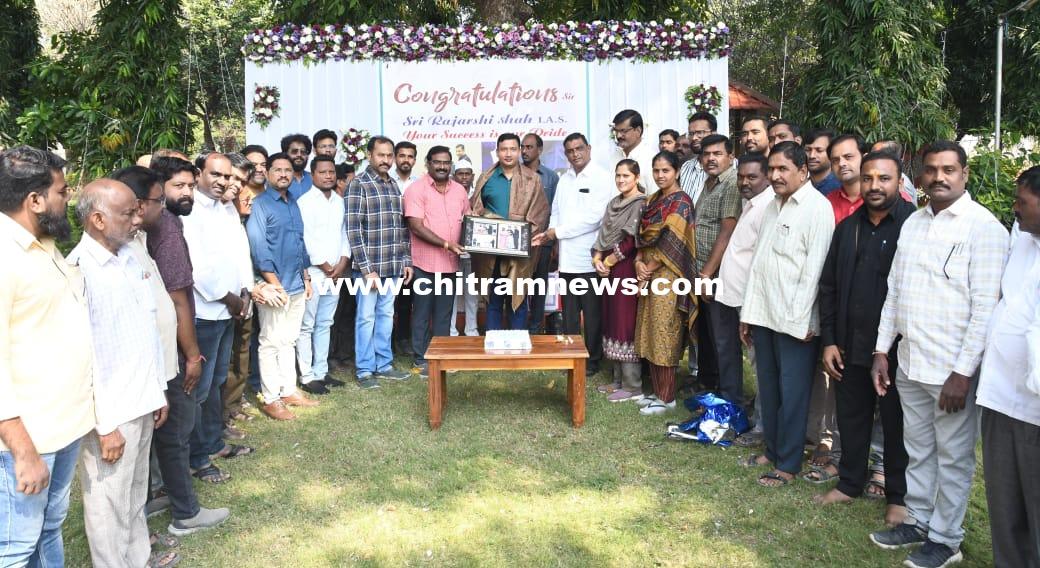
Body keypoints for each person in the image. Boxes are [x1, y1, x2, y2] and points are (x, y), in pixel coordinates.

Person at [869, 141, 1009, 568]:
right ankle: (918, 521)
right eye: (931, 170)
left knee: (953, 457)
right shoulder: (914, 222)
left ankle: (946, 540)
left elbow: (986, 308)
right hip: (911, 361)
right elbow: (895, 292)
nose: (939, 177)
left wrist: (963, 373)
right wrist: (882, 350)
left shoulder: (984, 229)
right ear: (921, 175)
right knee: (919, 448)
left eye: (949, 169)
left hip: (951, 371)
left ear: (965, 174)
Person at [68, 180, 174, 568]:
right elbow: (83, 357)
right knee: (107, 503)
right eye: (128, 213)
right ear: (98, 219)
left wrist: (158, 390)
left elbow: (146, 330)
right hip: (112, 412)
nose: (137, 220)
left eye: (137, 211)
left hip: (143, 398)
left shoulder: (130, 255)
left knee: (133, 491)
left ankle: (138, 558)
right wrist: (105, 424)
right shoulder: (80, 271)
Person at [0, 146, 94, 566]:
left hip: (63, 425)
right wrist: (23, 451)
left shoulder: (44, 242)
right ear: (35, 200)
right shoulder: (5, 257)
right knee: (16, 548)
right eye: (62, 191)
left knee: (49, 528)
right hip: (25, 440)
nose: (68, 199)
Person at [814, 152, 915, 528]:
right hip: (849, 343)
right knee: (851, 416)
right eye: (869, 178)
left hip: (896, 349)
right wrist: (829, 340)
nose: (875, 186)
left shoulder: (913, 226)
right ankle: (850, 482)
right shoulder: (848, 228)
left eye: (884, 178)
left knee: (895, 423)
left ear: (899, 182)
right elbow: (829, 286)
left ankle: (898, 496)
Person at [738, 141, 834, 487]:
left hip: (796, 322)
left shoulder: (817, 209)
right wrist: (748, 314)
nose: (776, 175)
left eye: (783, 169)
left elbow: (815, 271)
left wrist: (804, 321)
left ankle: (788, 464)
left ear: (803, 171)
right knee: (770, 389)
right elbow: (759, 264)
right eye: (772, 169)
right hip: (765, 314)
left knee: (793, 395)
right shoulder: (771, 206)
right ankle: (772, 450)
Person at [146, 156, 231, 535]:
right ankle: (186, 513)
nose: (186, 193)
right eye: (177, 186)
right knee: (177, 430)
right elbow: (179, 297)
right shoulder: (166, 228)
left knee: (166, 429)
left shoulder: (167, 221)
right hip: (176, 345)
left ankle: (158, 495)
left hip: (165, 341)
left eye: (189, 185)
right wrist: (193, 356)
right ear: (158, 188)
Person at [978, 166, 1040, 567]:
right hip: (1000, 394)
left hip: (1035, 408)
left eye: (1022, 201)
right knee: (1004, 506)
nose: (1015, 208)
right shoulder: (1021, 242)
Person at [181, 153, 255, 481]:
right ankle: (195, 458)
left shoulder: (225, 209)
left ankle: (213, 443)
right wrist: (229, 298)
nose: (223, 182)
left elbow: (240, 254)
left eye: (228, 177)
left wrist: (246, 292)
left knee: (216, 383)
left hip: (229, 310)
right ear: (199, 173)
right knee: (198, 390)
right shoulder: (190, 211)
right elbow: (196, 268)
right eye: (216, 175)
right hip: (205, 312)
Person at [532, 133, 614, 376]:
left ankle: (592, 359)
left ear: (589, 148)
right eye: (570, 150)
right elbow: (556, 211)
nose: (575, 154)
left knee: (592, 315)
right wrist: (551, 235)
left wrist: (557, 232)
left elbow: (595, 218)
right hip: (567, 258)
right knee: (569, 314)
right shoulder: (564, 179)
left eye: (579, 148)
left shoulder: (602, 177)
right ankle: (571, 355)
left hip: (590, 258)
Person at [246, 152, 319, 420]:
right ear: (267, 173)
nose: (284, 174)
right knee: (270, 342)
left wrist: (306, 278)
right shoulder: (261, 205)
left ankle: (288, 390)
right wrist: (275, 286)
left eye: (287, 170)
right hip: (275, 286)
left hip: (297, 283)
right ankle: (271, 398)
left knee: (289, 340)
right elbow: (259, 249)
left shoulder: (293, 203)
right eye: (277, 170)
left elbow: (300, 244)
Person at [345, 136, 414, 388]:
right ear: (369, 155)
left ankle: (384, 365)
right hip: (369, 270)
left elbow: (401, 227)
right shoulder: (359, 184)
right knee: (366, 318)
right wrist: (367, 270)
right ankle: (365, 370)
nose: (385, 160)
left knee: (386, 315)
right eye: (380, 155)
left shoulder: (393, 184)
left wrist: (406, 260)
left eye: (389, 155)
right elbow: (353, 230)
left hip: (393, 266)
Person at [633, 151, 698, 415]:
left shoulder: (682, 202)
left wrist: (647, 269)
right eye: (656, 171)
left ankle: (667, 397)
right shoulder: (652, 200)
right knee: (649, 329)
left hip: (668, 274)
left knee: (664, 332)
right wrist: (638, 262)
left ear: (677, 171)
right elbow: (640, 236)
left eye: (666, 171)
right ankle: (658, 391)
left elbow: (672, 240)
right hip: (647, 273)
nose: (660, 176)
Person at [717, 153, 774, 447]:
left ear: (767, 177)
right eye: (741, 177)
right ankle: (750, 416)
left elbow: (761, 262)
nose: (744, 182)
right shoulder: (751, 204)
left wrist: (751, 308)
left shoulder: (769, 207)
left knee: (761, 367)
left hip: (751, 302)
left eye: (752, 177)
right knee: (749, 362)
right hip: (735, 296)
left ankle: (762, 428)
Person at [470, 133, 550, 330]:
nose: (508, 154)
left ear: (519, 151)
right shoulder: (486, 178)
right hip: (492, 253)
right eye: (504, 149)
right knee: (494, 301)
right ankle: (493, 344)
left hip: (519, 253)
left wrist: (521, 238)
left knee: (518, 302)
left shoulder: (532, 179)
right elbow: (476, 210)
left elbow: (540, 213)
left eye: (513, 149)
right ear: (497, 152)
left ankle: (518, 345)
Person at [404, 146, 470, 376]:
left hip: (450, 264)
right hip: (424, 264)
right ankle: (421, 359)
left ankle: (440, 357)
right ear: (428, 163)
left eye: (446, 162)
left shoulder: (459, 191)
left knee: (444, 313)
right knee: (422, 313)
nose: (442, 166)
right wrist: (446, 244)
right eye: (437, 162)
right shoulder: (416, 189)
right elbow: (416, 226)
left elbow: (468, 221)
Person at [691, 135, 743, 404]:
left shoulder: (731, 183)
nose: (711, 158)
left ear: (730, 157)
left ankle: (730, 398)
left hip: (718, 273)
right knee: (708, 335)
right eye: (706, 154)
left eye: (717, 153)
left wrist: (707, 274)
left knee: (723, 338)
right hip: (703, 270)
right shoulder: (709, 182)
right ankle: (709, 386)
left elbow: (727, 231)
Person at [592, 159, 646, 401]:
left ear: (637, 177)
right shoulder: (614, 203)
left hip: (626, 269)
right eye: (618, 175)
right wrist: (597, 260)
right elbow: (603, 235)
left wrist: (609, 261)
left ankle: (633, 385)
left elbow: (631, 241)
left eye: (626, 175)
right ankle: (617, 380)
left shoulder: (640, 203)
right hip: (609, 270)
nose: (621, 180)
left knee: (625, 323)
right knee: (612, 320)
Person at [297, 155, 350, 394]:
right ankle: (306, 376)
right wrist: (326, 267)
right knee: (307, 325)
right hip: (314, 272)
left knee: (325, 323)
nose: (328, 176)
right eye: (323, 172)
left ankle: (321, 371)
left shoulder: (339, 202)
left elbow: (344, 234)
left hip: (336, 273)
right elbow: (305, 239)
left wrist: (342, 263)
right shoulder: (304, 202)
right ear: (313, 174)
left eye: (331, 172)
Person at [221, 153, 259, 433]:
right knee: (223, 361)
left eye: (241, 181)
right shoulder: (207, 212)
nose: (236, 185)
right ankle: (221, 415)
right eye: (232, 178)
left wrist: (248, 291)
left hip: (245, 295)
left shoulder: (232, 212)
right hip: (223, 300)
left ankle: (233, 405)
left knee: (241, 353)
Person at [521, 133, 560, 334]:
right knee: (518, 286)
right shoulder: (515, 173)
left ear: (540, 150)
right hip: (518, 242)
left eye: (529, 147)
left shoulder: (551, 177)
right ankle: (518, 327)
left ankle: (535, 329)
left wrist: (554, 243)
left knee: (539, 286)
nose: (524, 151)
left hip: (543, 241)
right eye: (523, 147)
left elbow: (556, 210)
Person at [390, 141, 419, 355]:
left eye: (410, 156)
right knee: (386, 300)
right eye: (402, 156)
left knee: (406, 299)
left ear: (415, 160)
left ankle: (402, 338)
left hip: (412, 248)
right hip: (388, 248)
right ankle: (386, 341)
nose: (405, 160)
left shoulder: (419, 184)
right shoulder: (386, 181)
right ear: (395, 158)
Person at [450, 157, 480, 337]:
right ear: (454, 176)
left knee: (472, 293)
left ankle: (472, 329)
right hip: (452, 252)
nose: (464, 177)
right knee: (451, 293)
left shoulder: (478, 195)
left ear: (472, 176)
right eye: (460, 174)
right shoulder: (450, 194)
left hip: (473, 254)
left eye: (467, 174)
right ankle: (451, 330)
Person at [609, 109, 657, 193]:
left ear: (638, 131)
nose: (618, 136)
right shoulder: (614, 156)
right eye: (616, 131)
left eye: (623, 131)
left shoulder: (651, 159)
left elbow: (655, 196)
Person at [826, 133, 868, 223]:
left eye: (848, 157)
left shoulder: (880, 196)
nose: (841, 164)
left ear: (865, 159)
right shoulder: (828, 202)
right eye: (835, 160)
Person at [679, 111, 717, 206]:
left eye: (700, 132)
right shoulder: (686, 167)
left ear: (714, 133)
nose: (694, 138)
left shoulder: (730, 165)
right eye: (691, 133)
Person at [803, 128, 841, 196]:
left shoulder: (841, 188)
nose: (812, 156)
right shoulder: (799, 186)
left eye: (819, 150)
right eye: (808, 150)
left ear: (832, 153)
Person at [239, 144, 269, 217]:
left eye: (263, 165)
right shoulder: (235, 197)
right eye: (253, 165)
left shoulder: (274, 193)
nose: (259, 170)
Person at [280, 134, 313, 198]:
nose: (299, 155)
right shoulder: (278, 178)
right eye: (294, 151)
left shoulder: (313, 179)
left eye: (303, 152)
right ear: (285, 154)